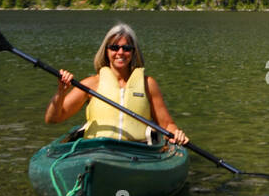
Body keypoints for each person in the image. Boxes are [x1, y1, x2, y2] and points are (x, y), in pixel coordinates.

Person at [44, 23, 188, 147]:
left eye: (126, 48)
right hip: (98, 149)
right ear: (106, 51)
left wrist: (176, 132)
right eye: (114, 47)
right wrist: (61, 92)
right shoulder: (90, 84)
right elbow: (53, 118)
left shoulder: (148, 84)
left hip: (137, 151)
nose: (120, 52)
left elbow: (167, 124)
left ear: (133, 52)